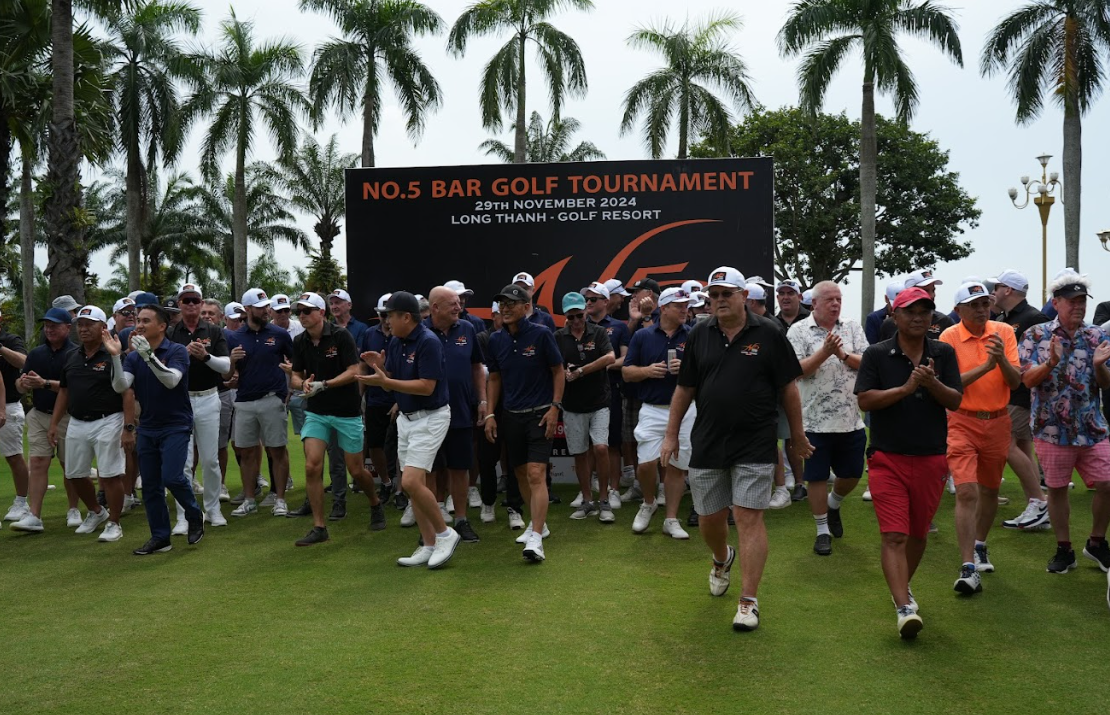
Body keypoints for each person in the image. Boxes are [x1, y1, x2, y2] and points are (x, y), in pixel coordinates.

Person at [664, 267, 811, 632]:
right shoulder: (699, 333)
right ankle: (721, 557)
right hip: (708, 439)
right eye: (713, 295)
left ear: (744, 296)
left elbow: (788, 387)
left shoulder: (770, 333)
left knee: (748, 517)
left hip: (756, 441)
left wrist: (797, 435)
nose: (719, 301)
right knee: (710, 520)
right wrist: (670, 435)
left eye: (726, 294)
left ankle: (748, 601)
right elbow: (685, 388)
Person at [854, 287, 963, 639]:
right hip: (887, 457)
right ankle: (903, 607)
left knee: (918, 535)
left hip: (931, 457)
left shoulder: (943, 352)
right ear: (895, 315)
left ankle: (901, 588)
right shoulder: (876, 353)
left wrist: (930, 383)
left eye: (924, 311)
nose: (918, 317)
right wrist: (904, 388)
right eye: (910, 311)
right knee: (894, 534)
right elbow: (865, 401)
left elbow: (955, 400)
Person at [359, 291, 459, 569]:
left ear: (406, 317)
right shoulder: (395, 342)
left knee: (411, 482)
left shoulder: (428, 342)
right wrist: (380, 369)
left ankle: (445, 534)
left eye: (390, 315)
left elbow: (426, 386)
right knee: (414, 485)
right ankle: (428, 544)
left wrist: (385, 383)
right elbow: (394, 376)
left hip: (431, 417)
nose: (386, 321)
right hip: (407, 418)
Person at [1018, 273, 1110, 575]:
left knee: (1108, 484)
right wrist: (1051, 362)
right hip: (1051, 429)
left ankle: (1096, 542)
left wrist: (1099, 366)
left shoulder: (1097, 335)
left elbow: (1106, 384)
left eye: (1082, 301)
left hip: (1092, 428)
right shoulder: (1036, 335)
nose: (1079, 306)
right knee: (1057, 490)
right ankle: (1064, 549)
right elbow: (1026, 380)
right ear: (1056, 303)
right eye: (1072, 301)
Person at [939, 282, 1021, 594]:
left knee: (990, 490)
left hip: (998, 421)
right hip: (961, 420)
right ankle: (967, 566)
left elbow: (1015, 382)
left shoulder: (1004, 331)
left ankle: (980, 544)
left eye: (985, 303)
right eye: (973, 305)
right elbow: (950, 384)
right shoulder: (949, 337)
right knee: (966, 491)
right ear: (958, 310)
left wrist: (1000, 360)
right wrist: (988, 365)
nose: (981, 310)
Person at [107, 303, 205, 554]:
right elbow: (120, 386)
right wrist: (116, 356)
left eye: (145, 321)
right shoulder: (133, 357)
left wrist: (149, 356)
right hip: (148, 426)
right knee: (150, 485)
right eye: (138, 320)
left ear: (162, 326)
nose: (139, 325)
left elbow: (171, 380)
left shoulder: (176, 351)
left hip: (176, 424)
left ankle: (194, 513)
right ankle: (160, 537)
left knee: (172, 477)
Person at [288, 292, 386, 545]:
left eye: (307, 311)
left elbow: (354, 370)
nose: (302, 316)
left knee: (357, 470)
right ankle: (319, 527)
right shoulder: (299, 341)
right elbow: (295, 375)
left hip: (346, 411)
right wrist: (303, 384)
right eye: (299, 312)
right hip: (317, 412)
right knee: (312, 466)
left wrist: (325, 384)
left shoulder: (341, 336)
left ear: (321, 313)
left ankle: (375, 502)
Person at [787, 281, 869, 556]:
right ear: (814, 303)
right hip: (813, 420)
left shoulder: (852, 327)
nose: (835, 304)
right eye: (829, 299)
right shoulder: (798, 330)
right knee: (817, 477)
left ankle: (834, 504)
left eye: (839, 299)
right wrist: (825, 352)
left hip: (850, 418)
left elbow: (867, 363)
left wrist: (842, 354)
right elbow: (796, 370)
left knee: (852, 474)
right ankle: (822, 530)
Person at [483, 283, 564, 562]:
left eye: (511, 303)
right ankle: (537, 524)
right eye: (502, 304)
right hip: (511, 415)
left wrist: (555, 407)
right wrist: (490, 414)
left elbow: (558, 371)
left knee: (535, 473)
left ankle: (537, 537)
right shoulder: (495, 340)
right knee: (519, 474)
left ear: (526, 307)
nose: (505, 308)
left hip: (540, 414)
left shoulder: (541, 334)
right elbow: (494, 378)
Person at [47, 306, 133, 542]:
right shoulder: (71, 356)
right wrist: (54, 424)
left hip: (109, 420)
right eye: (80, 325)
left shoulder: (114, 354)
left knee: (111, 474)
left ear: (103, 327)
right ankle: (96, 511)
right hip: (77, 420)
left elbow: (127, 393)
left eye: (89, 324)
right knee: (74, 474)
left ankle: (114, 522)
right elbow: (64, 391)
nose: (83, 329)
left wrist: (128, 428)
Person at [622, 287, 695, 539]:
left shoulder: (693, 334)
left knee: (677, 465)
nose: (685, 309)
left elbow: (707, 371)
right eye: (679, 305)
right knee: (645, 464)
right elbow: (626, 372)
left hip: (686, 411)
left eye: (686, 305)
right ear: (663, 308)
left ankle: (671, 519)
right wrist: (647, 371)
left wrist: (687, 368)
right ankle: (649, 502)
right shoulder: (642, 335)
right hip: (652, 409)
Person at [167, 282, 233, 529]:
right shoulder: (171, 333)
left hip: (208, 397)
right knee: (183, 463)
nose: (191, 304)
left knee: (210, 460)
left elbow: (226, 366)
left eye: (195, 300)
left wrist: (205, 356)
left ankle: (213, 510)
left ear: (201, 303)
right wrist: (183, 354)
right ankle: (184, 516)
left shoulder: (214, 331)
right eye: (186, 300)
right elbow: (164, 365)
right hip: (181, 400)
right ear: (180, 304)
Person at [992, 269, 1052, 530]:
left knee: (1005, 444)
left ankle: (1039, 502)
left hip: (1023, 393)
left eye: (996, 287)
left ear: (1007, 290)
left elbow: (1042, 360)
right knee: (1023, 447)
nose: (993, 292)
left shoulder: (1033, 318)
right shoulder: (1005, 318)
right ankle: (1036, 506)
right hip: (1011, 392)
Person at [425, 285, 486, 543]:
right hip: (428, 413)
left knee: (460, 468)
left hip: (460, 410)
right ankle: (432, 525)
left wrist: (482, 399)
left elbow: (476, 367)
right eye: (452, 304)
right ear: (435, 308)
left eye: (459, 303)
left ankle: (461, 520)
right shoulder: (420, 332)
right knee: (429, 470)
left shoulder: (467, 329)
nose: (459, 307)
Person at [9, 309, 79, 532]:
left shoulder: (76, 353)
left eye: (54, 325)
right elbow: (20, 386)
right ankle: (34, 515)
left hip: (69, 416)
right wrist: (23, 384)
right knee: (38, 463)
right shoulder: (37, 353)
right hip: (39, 415)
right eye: (47, 325)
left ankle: (73, 509)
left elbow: (73, 388)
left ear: (68, 327)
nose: (49, 329)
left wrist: (44, 383)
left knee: (70, 466)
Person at [227, 288, 294, 517]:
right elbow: (227, 375)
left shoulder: (280, 334)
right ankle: (249, 500)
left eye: (267, 306)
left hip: (272, 399)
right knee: (246, 452)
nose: (266, 311)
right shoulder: (234, 337)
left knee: (277, 450)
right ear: (247, 309)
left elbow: (296, 363)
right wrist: (232, 362)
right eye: (260, 307)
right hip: (244, 401)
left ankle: (280, 499)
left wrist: (289, 385)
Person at [555, 291, 616, 522]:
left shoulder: (598, 332)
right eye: (570, 317)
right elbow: (553, 366)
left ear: (585, 313)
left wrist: (581, 371)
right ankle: (587, 500)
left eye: (579, 315)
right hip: (572, 404)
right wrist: (563, 373)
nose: (576, 321)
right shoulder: (558, 336)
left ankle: (605, 500)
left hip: (599, 401)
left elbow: (610, 357)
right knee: (580, 453)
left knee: (600, 448)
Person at [586, 281, 631, 512]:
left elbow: (626, 359)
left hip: (610, 389)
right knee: (585, 445)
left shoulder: (618, 327)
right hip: (582, 390)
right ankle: (585, 491)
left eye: (593, 299)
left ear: (605, 301)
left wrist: (600, 365)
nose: (589, 303)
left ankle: (613, 489)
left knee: (611, 443)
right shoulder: (578, 325)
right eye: (587, 299)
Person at [201, 298, 233, 502]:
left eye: (211, 313)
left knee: (220, 444)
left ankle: (220, 484)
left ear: (221, 317)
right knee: (193, 446)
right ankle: (192, 483)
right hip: (194, 395)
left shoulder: (228, 336)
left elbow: (230, 369)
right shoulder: (193, 334)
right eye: (203, 313)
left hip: (221, 393)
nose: (207, 317)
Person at [0, 308, 30, 523]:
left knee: (13, 456)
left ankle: (22, 502)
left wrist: (1, 349)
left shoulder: (10, 340)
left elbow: (24, 362)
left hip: (9, 407)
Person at [879, 270, 954, 340]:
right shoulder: (889, 325)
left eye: (933, 290)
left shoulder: (945, 322)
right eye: (925, 290)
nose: (932, 295)